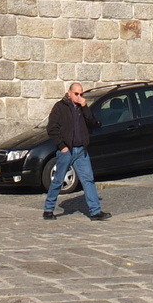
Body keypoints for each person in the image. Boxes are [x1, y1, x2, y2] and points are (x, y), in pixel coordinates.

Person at [43, 82, 111, 221]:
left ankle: (95, 211)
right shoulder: (60, 107)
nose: (79, 96)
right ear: (69, 93)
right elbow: (51, 128)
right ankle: (48, 209)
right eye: (76, 94)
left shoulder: (82, 107)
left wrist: (85, 107)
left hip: (81, 150)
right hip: (67, 150)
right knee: (58, 180)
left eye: (81, 94)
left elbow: (92, 123)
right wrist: (62, 146)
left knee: (88, 180)